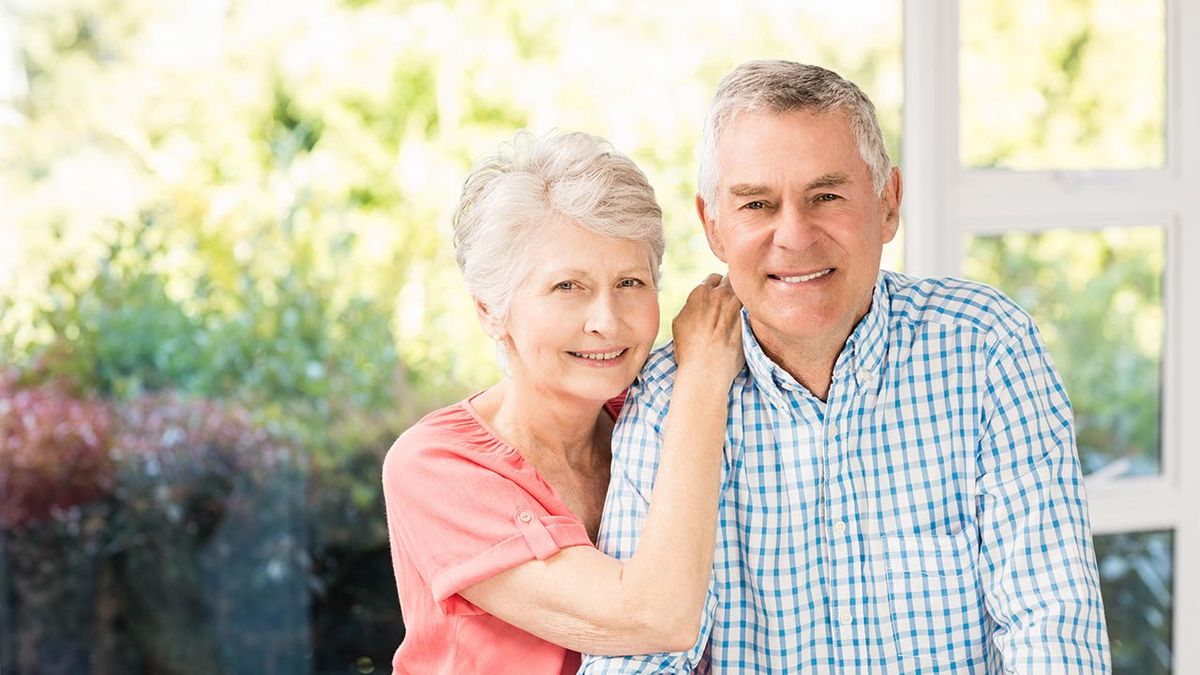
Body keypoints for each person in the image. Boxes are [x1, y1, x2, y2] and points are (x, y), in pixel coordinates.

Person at [581, 60, 1111, 673]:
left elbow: (1051, 627)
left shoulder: (986, 350)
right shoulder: (670, 400)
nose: (794, 235)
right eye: (757, 203)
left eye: (826, 196)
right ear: (714, 226)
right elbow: (636, 661)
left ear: (888, 204)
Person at [382, 130, 744, 674]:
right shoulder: (435, 467)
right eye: (568, 287)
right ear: (490, 310)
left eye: (630, 281)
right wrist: (704, 374)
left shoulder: (647, 421)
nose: (607, 321)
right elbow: (655, 618)